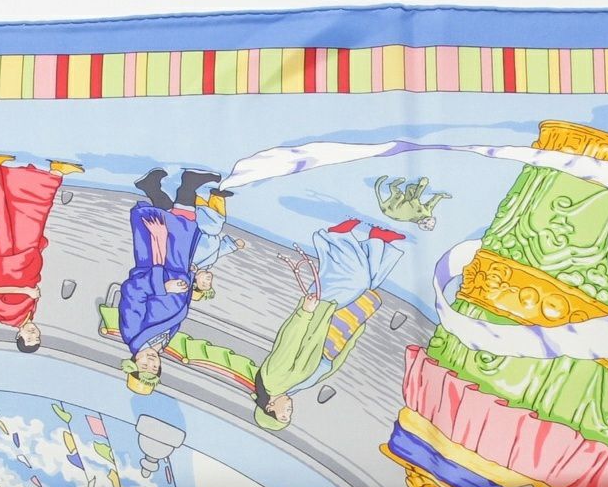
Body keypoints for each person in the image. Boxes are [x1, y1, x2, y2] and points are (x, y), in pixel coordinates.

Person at [253, 219, 404, 431]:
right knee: (368, 287)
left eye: (284, 414)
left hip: (320, 321)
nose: (289, 410)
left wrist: (305, 312)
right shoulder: (289, 388)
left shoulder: (273, 379)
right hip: (334, 338)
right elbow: (325, 368)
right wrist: (350, 340)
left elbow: (289, 341)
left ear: (269, 407)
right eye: (289, 415)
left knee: (355, 282)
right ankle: (378, 241)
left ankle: (338, 236)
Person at [0, 152, 83, 352]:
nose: (33, 334)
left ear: (19, 336)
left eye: (28, 338)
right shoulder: (30, 313)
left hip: (11, 261)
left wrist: (26, 291)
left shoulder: (6, 317)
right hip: (22, 260)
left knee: (30, 218)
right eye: (36, 337)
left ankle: (55, 173)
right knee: (6, 215)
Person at [118, 168, 220, 393]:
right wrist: (193, 280)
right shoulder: (162, 341)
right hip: (178, 271)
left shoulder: (132, 331)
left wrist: (162, 287)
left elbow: (132, 291)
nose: (151, 362)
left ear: (134, 362)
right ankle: (152, 187)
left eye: (144, 366)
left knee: (178, 227)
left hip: (158, 267)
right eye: (154, 368)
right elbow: (179, 305)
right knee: (177, 227)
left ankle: (188, 184)